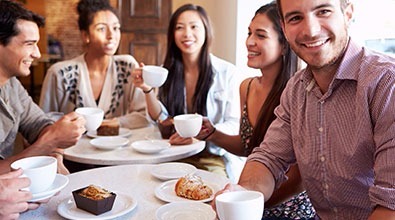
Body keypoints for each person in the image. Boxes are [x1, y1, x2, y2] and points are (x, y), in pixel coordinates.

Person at [215, 0, 395, 219]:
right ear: (284, 28)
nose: (310, 30)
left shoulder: (386, 83)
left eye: (323, 11)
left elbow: (391, 203)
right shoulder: (296, 89)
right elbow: (268, 158)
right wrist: (242, 194)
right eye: (295, 18)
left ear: (347, 13)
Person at [196, 3, 315, 219]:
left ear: (285, 44)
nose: (249, 41)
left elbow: (299, 178)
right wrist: (212, 134)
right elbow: (248, 146)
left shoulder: (299, 93)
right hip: (252, 194)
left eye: (260, 35)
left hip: (289, 206)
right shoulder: (247, 87)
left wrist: (252, 204)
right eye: (249, 33)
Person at [132, 4, 241, 179]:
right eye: (179, 27)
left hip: (210, 158)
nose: (187, 34)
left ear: (206, 30)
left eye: (194, 26)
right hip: (173, 156)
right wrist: (147, 90)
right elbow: (161, 119)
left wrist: (200, 137)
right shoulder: (165, 72)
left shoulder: (227, 72)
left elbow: (234, 125)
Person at [0, 0, 85, 214]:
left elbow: (39, 123)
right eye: (29, 44)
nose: (37, 54)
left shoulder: (11, 85)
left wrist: (54, 154)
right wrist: (51, 140)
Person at [39, 0, 149, 130]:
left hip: (117, 148)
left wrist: (107, 124)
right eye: (101, 29)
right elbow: (42, 124)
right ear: (85, 35)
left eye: (115, 28)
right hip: (72, 150)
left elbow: (144, 116)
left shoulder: (127, 66)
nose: (111, 35)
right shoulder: (60, 73)